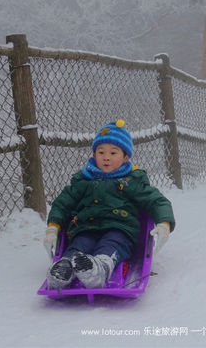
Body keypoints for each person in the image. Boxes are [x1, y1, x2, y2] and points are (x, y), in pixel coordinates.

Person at [43, 119, 175, 290]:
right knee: (78, 246)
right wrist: (53, 229)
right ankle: (63, 270)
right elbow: (62, 204)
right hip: (86, 227)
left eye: (113, 153)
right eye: (101, 152)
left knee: (110, 246)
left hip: (120, 229)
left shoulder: (132, 180)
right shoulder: (83, 180)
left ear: (125, 156)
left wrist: (164, 223)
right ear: (93, 154)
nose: (106, 157)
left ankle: (100, 269)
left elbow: (156, 200)